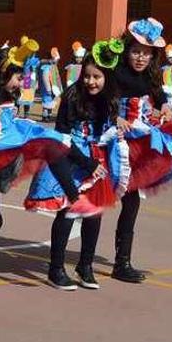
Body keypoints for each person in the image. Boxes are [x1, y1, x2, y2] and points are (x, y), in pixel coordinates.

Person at [0, 38, 94, 295]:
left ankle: (73, 195)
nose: (19, 83)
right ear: (2, 75)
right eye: (16, 77)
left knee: (49, 142)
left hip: (6, 143)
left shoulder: (7, 93)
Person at [26, 39, 123, 290]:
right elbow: (63, 137)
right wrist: (86, 162)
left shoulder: (111, 98)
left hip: (97, 158)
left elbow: (109, 128)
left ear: (107, 78)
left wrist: (117, 130)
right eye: (87, 76)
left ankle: (85, 265)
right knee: (68, 210)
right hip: (71, 157)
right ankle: (55, 269)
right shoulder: (72, 95)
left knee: (94, 212)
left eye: (97, 77)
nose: (91, 81)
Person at [107, 17, 172, 283]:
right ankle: (75, 262)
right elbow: (99, 97)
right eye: (136, 51)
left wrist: (166, 107)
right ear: (126, 50)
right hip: (111, 140)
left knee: (131, 202)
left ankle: (122, 262)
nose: (141, 57)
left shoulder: (150, 76)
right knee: (89, 197)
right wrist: (114, 117)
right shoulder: (115, 74)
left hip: (138, 142)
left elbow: (159, 97)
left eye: (146, 53)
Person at [38, 47, 63, 122]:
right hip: (47, 89)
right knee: (47, 102)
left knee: (50, 103)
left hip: (52, 88)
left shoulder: (52, 67)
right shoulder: (47, 68)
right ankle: (45, 116)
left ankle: (48, 115)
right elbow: (45, 78)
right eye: (56, 60)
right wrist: (48, 88)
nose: (57, 62)